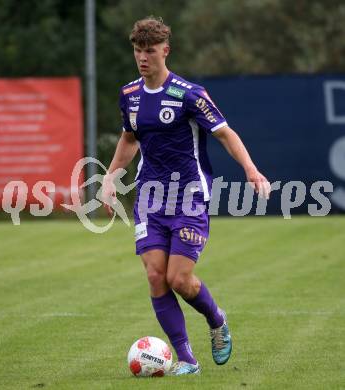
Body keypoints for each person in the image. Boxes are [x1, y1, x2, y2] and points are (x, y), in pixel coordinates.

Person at [103, 16, 270, 375]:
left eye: (149, 51)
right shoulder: (130, 95)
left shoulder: (190, 94)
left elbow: (225, 133)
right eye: (137, 50)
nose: (142, 57)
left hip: (189, 197)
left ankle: (216, 320)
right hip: (150, 197)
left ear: (166, 50)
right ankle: (187, 360)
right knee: (155, 276)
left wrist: (251, 169)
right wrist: (109, 178)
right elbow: (129, 139)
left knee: (180, 279)